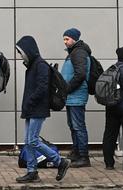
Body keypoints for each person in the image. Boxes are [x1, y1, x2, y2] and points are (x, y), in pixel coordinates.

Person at [15, 36, 70, 183]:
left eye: (21, 53)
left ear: (28, 51)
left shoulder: (40, 65)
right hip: (31, 109)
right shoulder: (33, 65)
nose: (21, 56)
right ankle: (32, 172)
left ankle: (59, 161)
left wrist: (30, 102)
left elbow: (42, 88)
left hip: (37, 109)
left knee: (32, 141)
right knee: (28, 141)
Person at [60, 28, 92, 167]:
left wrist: (67, 88)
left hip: (76, 95)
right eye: (64, 39)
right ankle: (77, 152)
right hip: (71, 96)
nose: (65, 42)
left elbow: (80, 75)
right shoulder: (74, 52)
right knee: (73, 125)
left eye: (67, 39)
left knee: (78, 126)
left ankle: (84, 157)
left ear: (74, 39)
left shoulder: (78, 52)